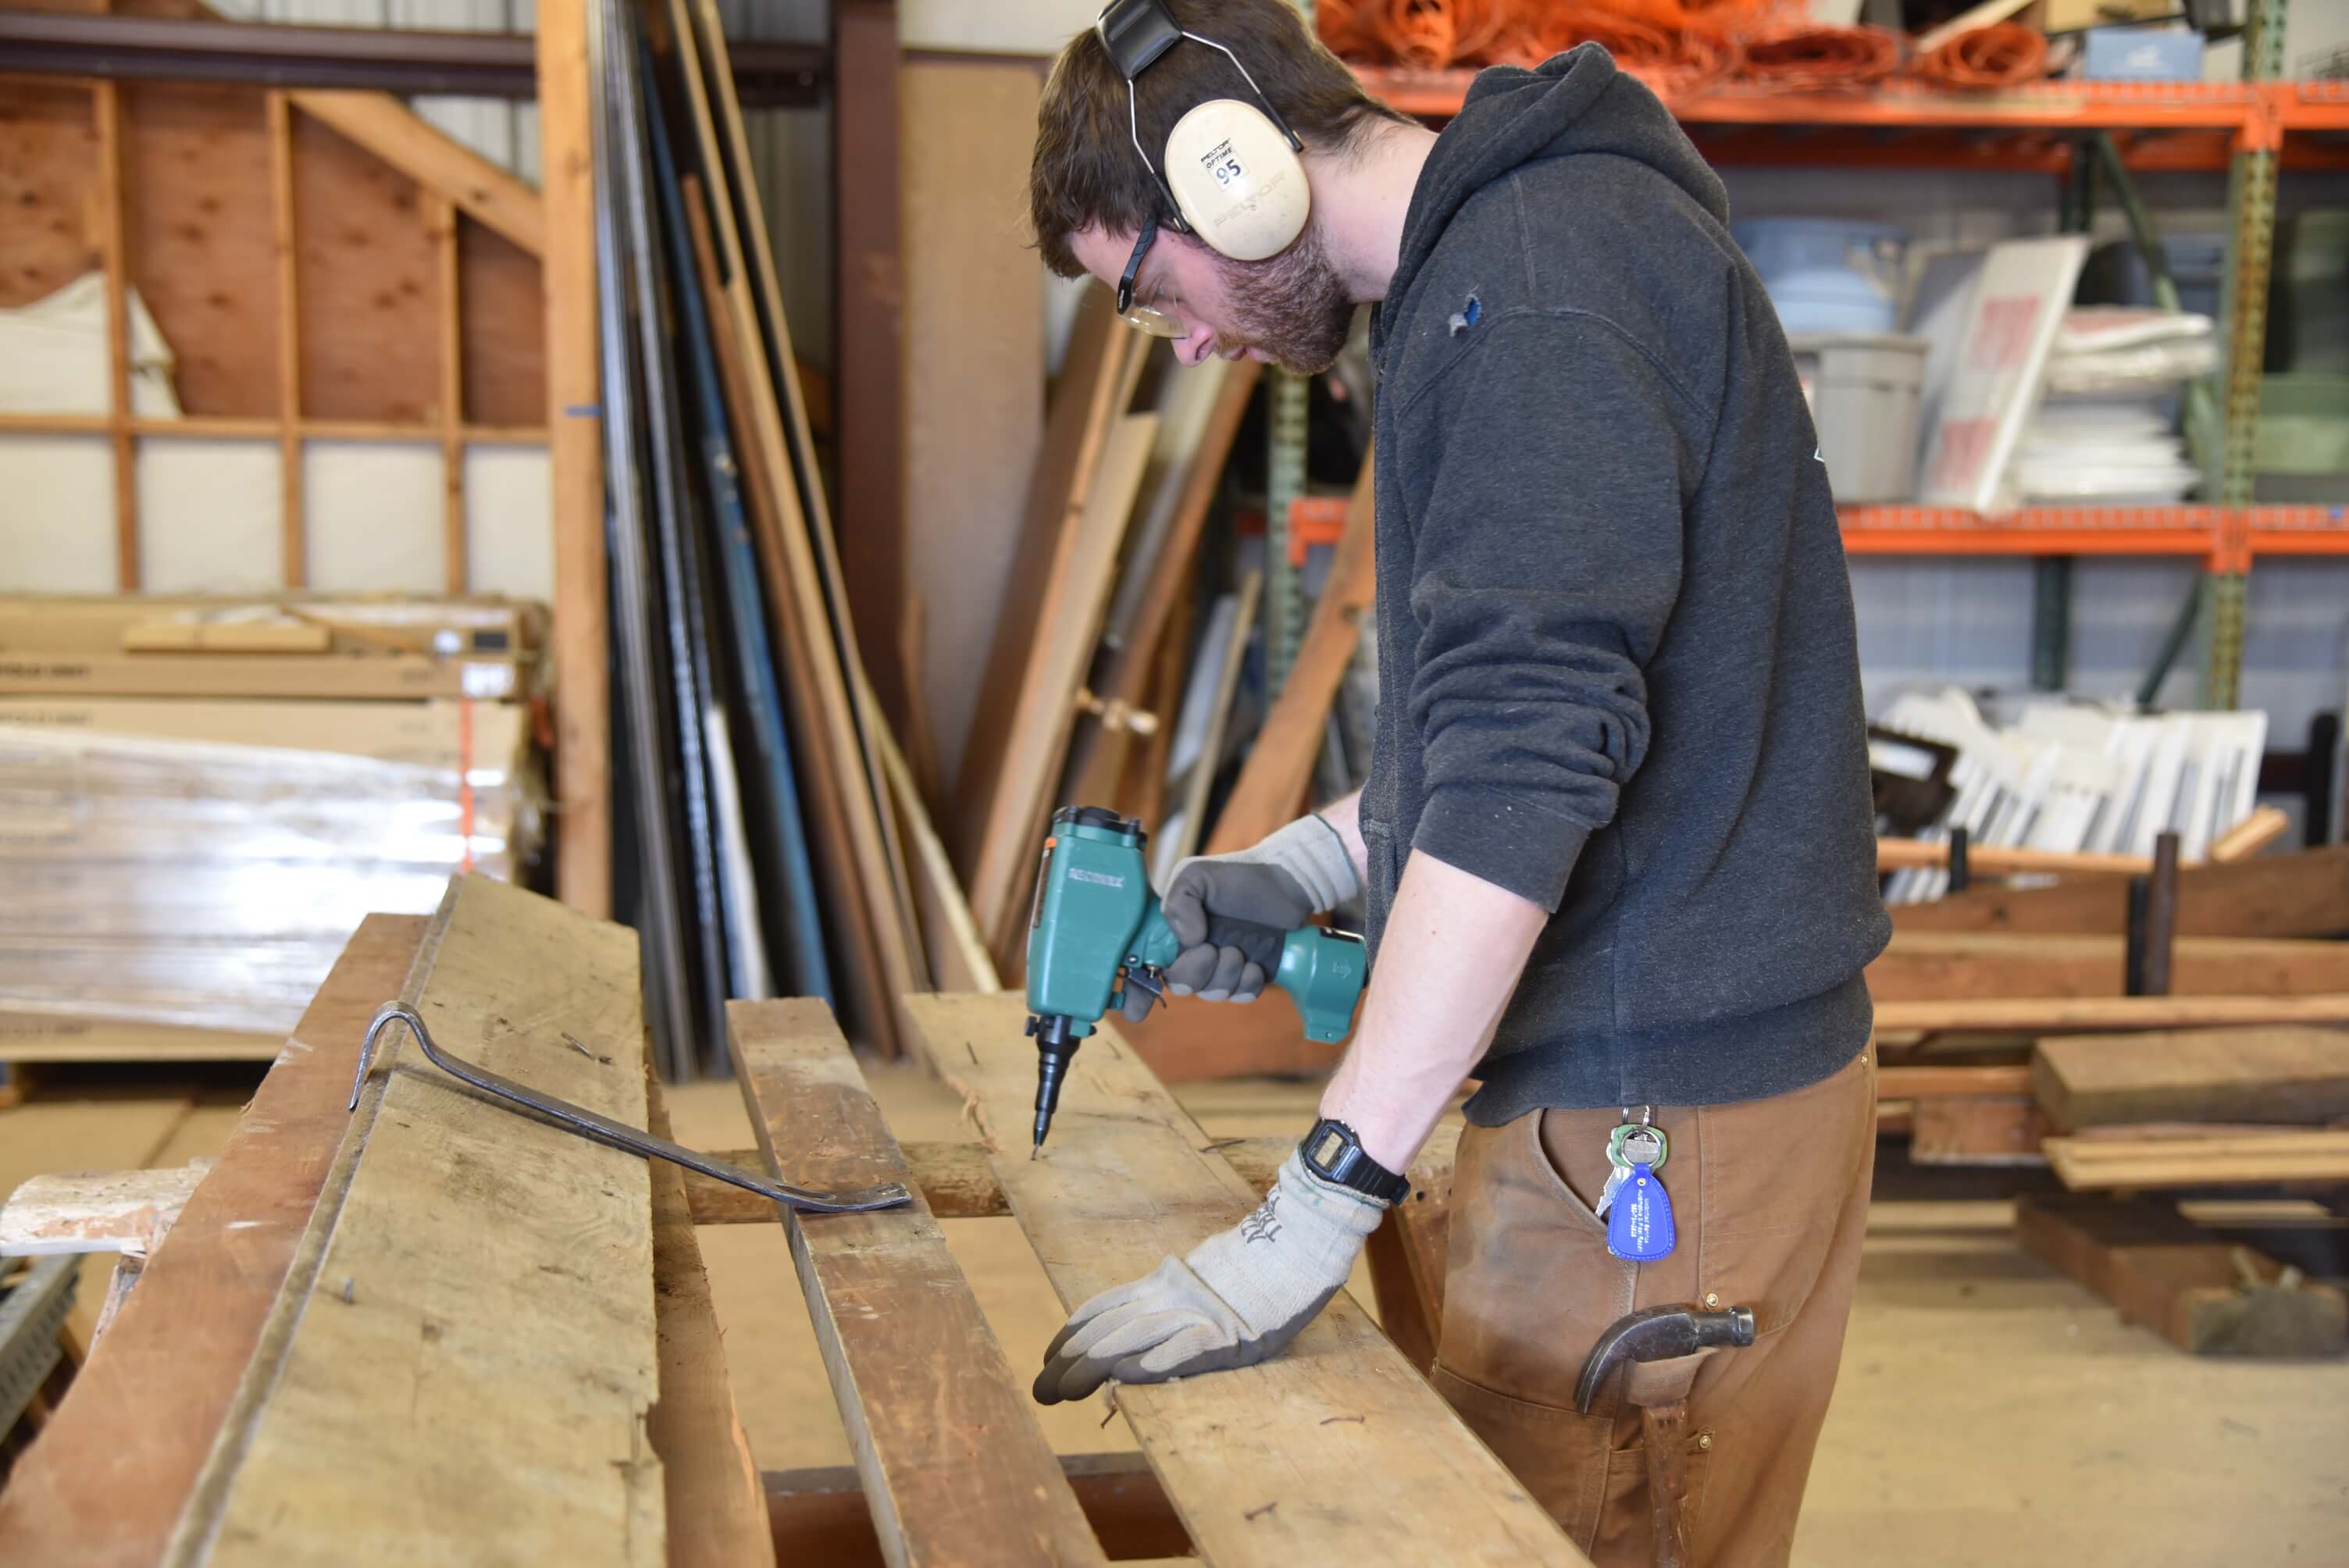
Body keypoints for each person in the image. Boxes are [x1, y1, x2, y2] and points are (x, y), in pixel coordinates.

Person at [1025, 2, 1891, 1562]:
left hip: (1660, 1116)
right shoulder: (1510, 274)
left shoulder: (1537, 294)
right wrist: (1304, 862)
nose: (1192, 343)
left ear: (1238, 176)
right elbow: (1562, 720)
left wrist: (1312, 1204)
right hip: (1647, 1084)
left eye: (1153, 298)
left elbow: (1526, 759)